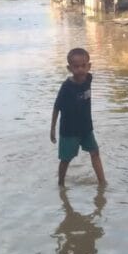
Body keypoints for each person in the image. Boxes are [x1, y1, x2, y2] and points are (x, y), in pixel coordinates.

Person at [51, 48, 106, 187]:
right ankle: (61, 184)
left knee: (95, 153)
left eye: (83, 66)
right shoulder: (66, 87)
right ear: (69, 68)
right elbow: (56, 107)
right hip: (69, 131)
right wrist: (52, 129)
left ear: (89, 66)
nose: (80, 69)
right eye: (76, 67)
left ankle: (102, 182)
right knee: (66, 159)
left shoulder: (89, 78)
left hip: (86, 128)